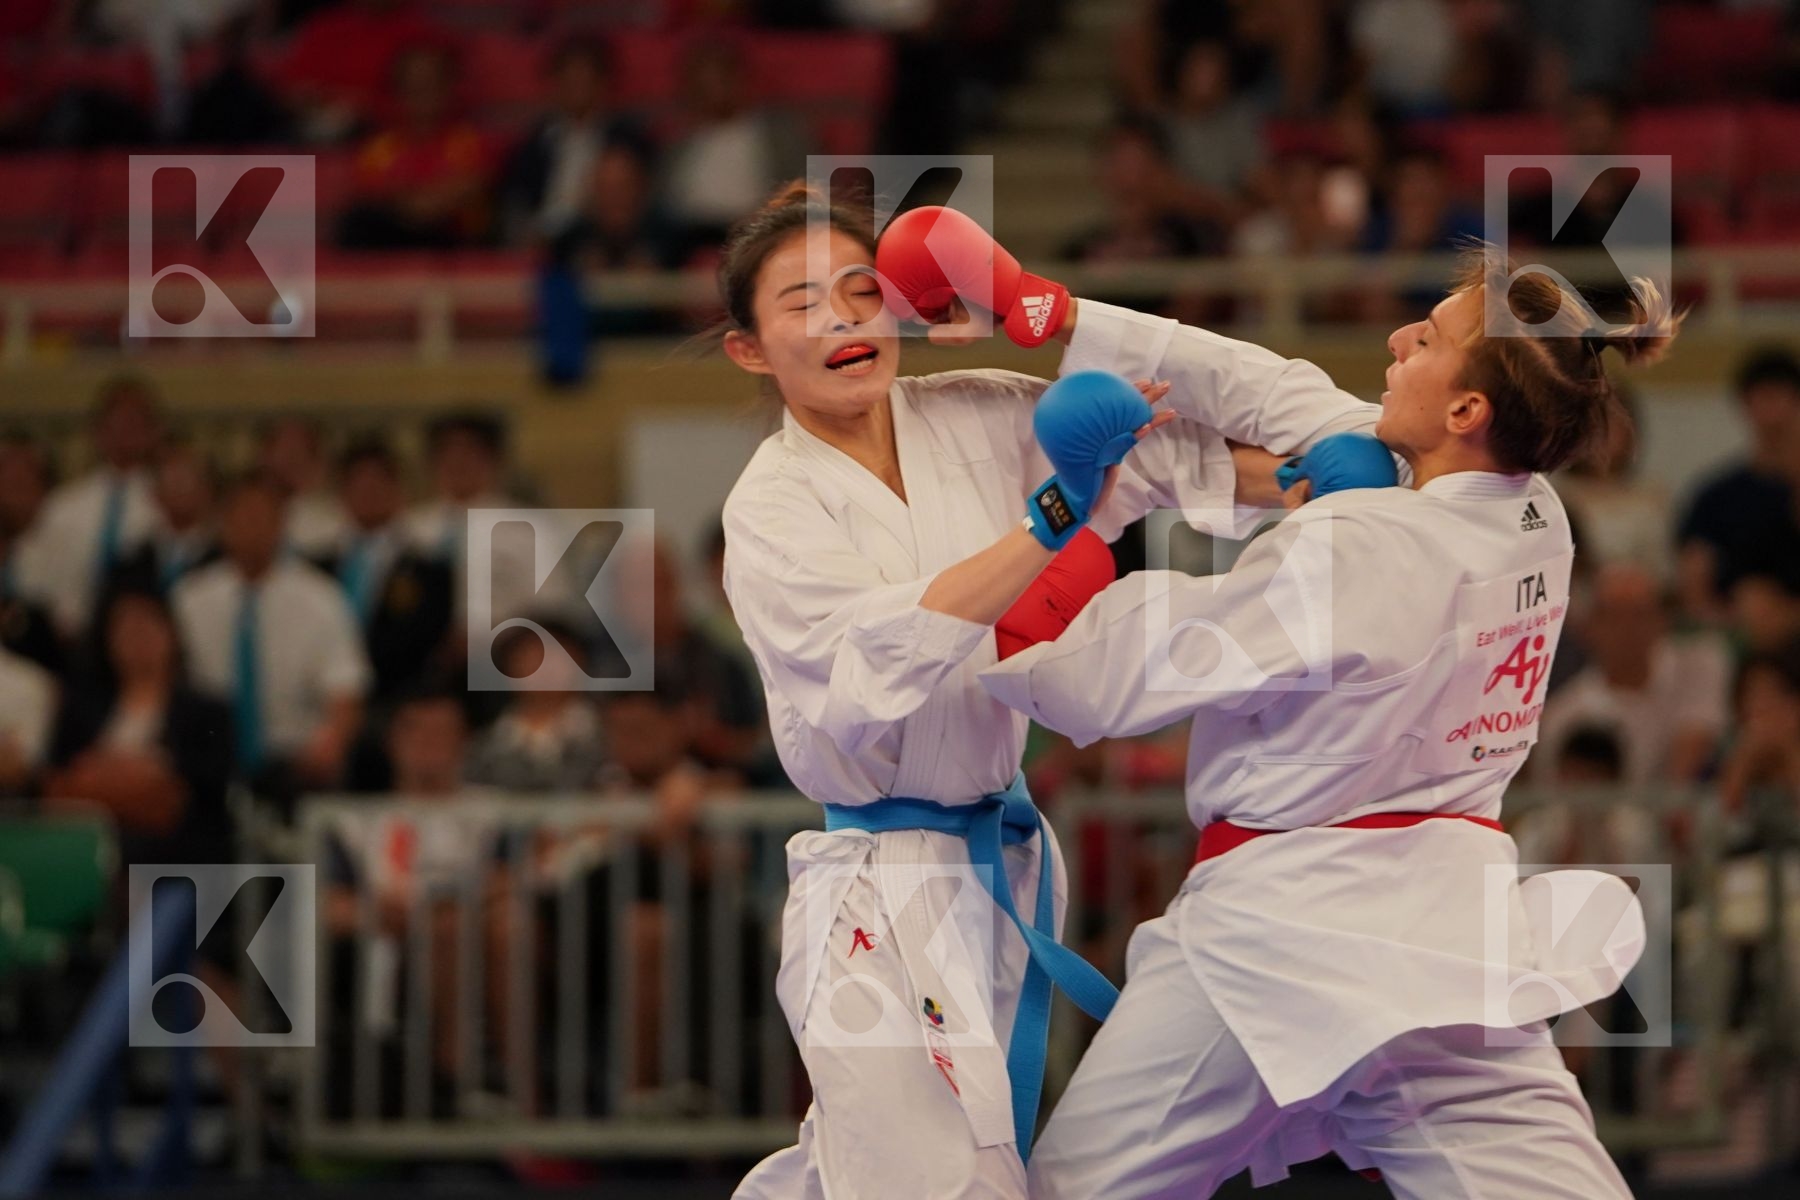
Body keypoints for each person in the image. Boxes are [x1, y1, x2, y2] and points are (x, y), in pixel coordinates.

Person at [721, 185, 1399, 1198]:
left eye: (862, 291)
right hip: (873, 876)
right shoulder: (770, 508)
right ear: (750, 349)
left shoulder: (980, 412)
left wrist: (1310, 477)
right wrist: (1046, 525)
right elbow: (871, 666)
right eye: (801, 303)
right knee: (942, 1179)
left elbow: (1172, 453)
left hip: (997, 860)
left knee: (868, 1167)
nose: (842, 320)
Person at [977, 242, 1676, 1197]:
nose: (1395, 338)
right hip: (1446, 943)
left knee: (1074, 1190)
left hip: (1276, 931)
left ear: (1467, 409)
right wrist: (1058, 314)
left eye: (1424, 338)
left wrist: (1048, 573)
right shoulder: (1535, 514)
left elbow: (1123, 676)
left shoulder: (1358, 544)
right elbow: (1280, 390)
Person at [172, 471, 370, 798]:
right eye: (242, 515)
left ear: (282, 523)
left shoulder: (322, 599)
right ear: (222, 522)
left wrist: (329, 746)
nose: (252, 526)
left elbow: (345, 690)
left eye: (263, 515)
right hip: (206, 761)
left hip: (295, 760)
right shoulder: (189, 600)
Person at [42, 586, 234, 868]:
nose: (138, 640)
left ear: (172, 633)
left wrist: (151, 773)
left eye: (147, 627)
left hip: (174, 847)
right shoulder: (82, 707)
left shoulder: (205, 711)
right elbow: (57, 773)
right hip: (88, 836)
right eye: (127, 630)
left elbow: (210, 785)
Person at [34, 375, 163, 638]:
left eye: (136, 422)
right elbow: (45, 572)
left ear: (154, 431)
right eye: (117, 422)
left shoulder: (164, 504)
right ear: (98, 430)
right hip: (69, 635)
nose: (126, 431)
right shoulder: (63, 505)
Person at [1676, 348, 1800, 621]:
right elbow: (1695, 583)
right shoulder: (1716, 498)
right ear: (1745, 404)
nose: (1775, 412)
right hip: (1737, 630)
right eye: (1765, 398)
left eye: (1783, 397)